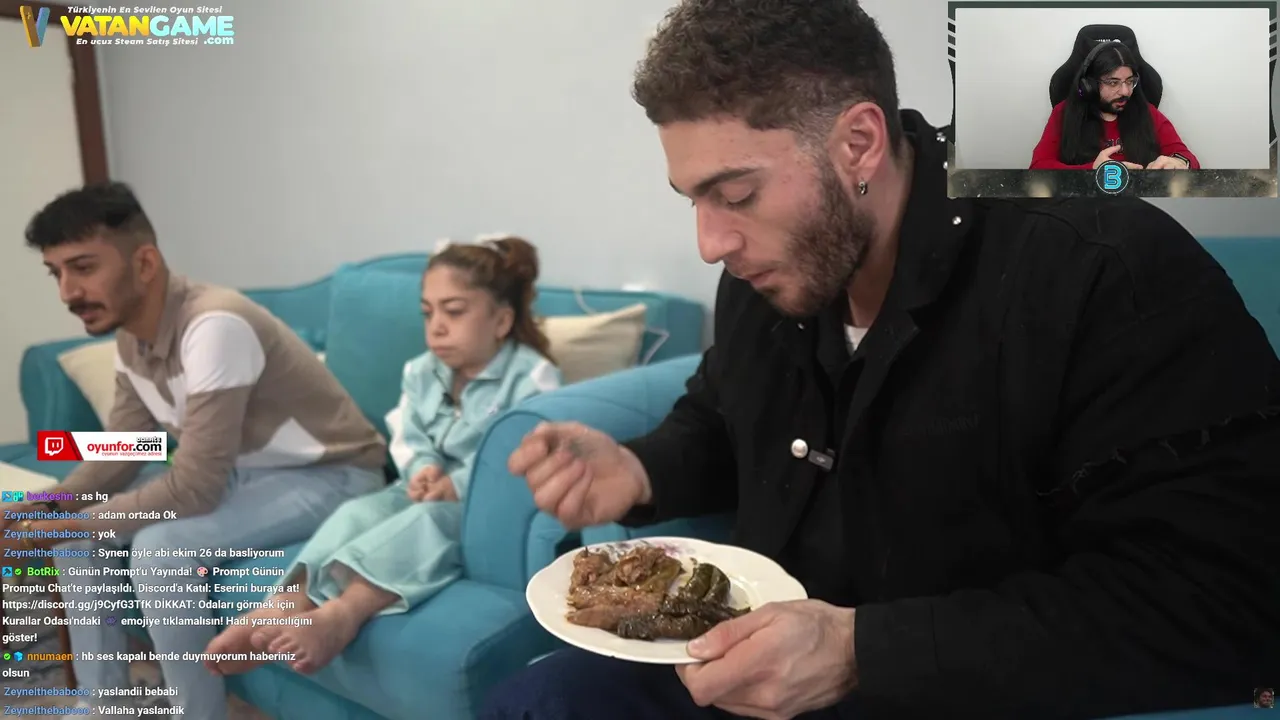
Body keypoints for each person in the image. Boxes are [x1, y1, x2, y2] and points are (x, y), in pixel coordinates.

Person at [484, 2, 1280, 719]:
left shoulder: (1101, 272)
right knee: (538, 700)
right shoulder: (769, 274)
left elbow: (1224, 599)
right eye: (693, 198)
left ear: (858, 144)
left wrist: (861, 652)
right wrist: (641, 468)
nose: (710, 243)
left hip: (963, 688)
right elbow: (724, 414)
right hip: (748, 670)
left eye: (737, 195)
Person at [0, 182, 387, 720]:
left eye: (83, 268)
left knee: (159, 549)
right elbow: (124, 449)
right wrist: (51, 506)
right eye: (56, 273)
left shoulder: (214, 326)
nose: (68, 292)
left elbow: (195, 487)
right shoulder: (131, 337)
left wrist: (65, 523)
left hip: (334, 475)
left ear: (144, 262)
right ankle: (99, 705)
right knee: (76, 538)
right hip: (246, 474)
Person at [203, 235, 562, 676]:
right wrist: (422, 467)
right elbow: (407, 431)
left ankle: (342, 615)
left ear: (502, 320)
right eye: (428, 313)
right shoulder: (421, 371)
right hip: (417, 487)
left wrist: (456, 484)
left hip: (478, 507)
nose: (437, 327)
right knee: (356, 514)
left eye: (454, 311)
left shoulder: (533, 377)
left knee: (423, 525)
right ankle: (286, 602)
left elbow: (520, 450)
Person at [1030, 41, 1199, 170]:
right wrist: (1093, 170)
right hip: (1084, 200)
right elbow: (1038, 167)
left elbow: (1188, 158)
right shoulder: (1064, 112)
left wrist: (1179, 162)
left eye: (1130, 81)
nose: (1125, 91)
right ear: (1090, 85)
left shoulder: (1146, 111)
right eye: (1113, 83)